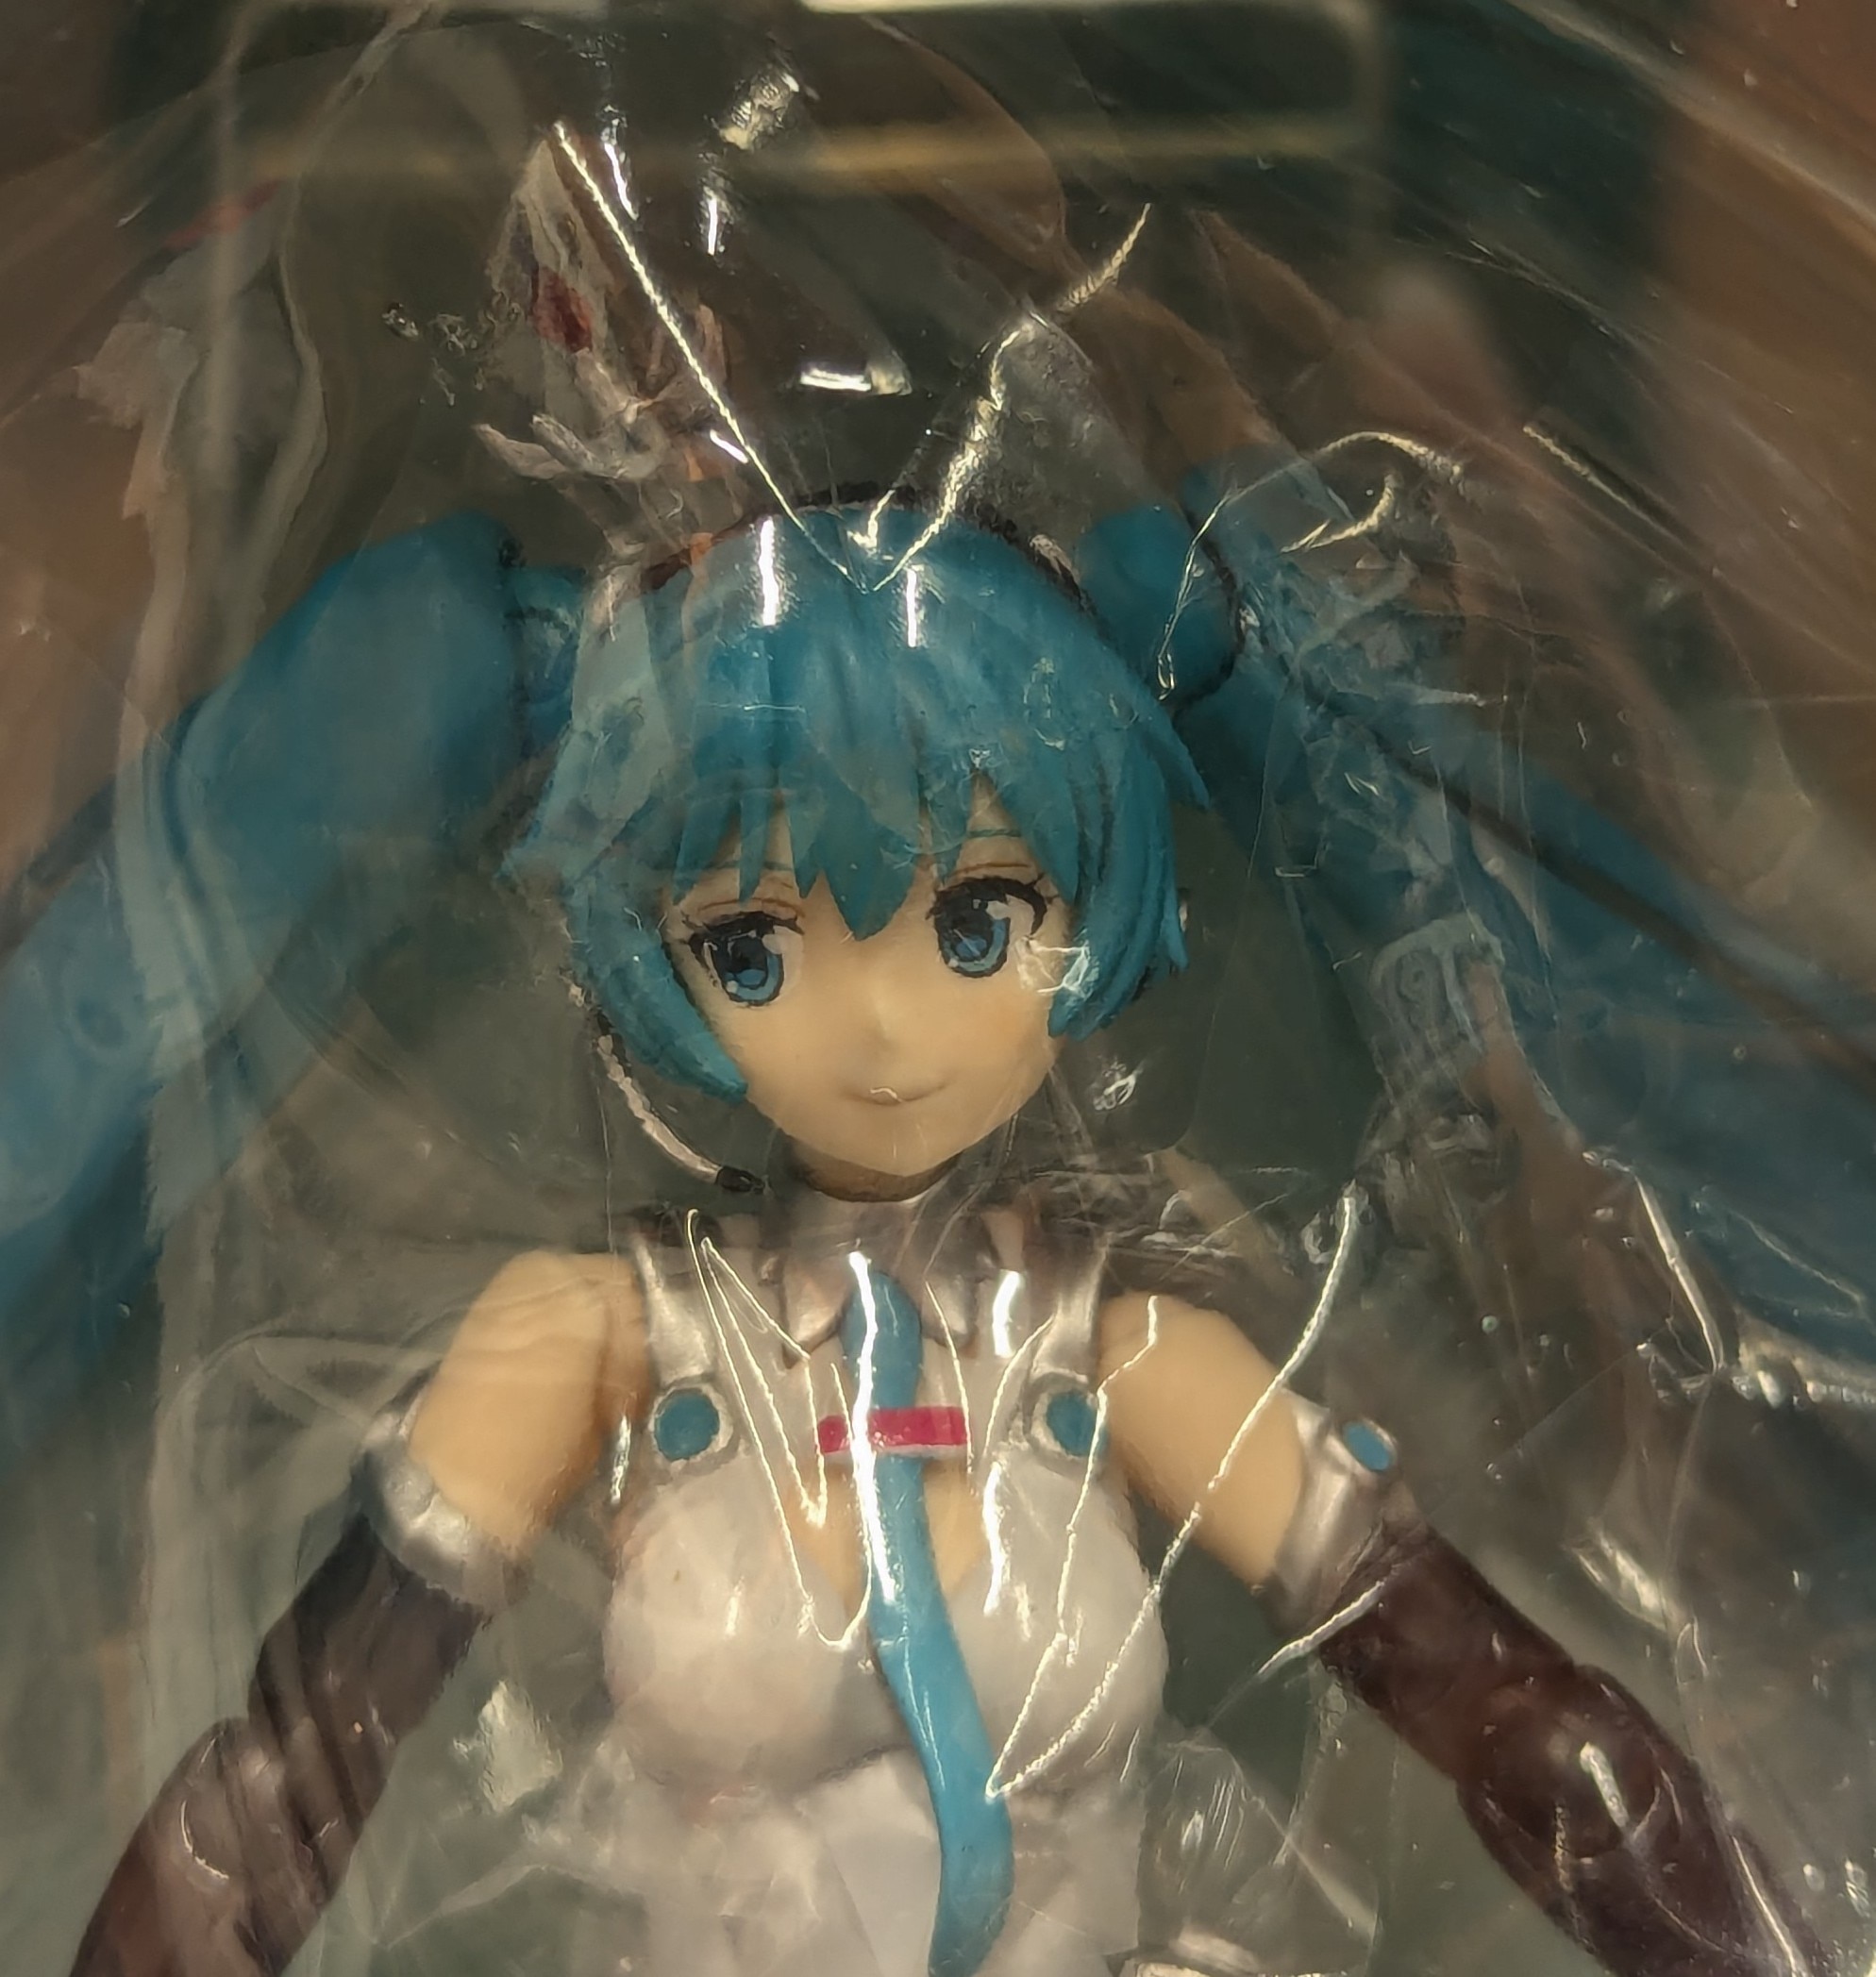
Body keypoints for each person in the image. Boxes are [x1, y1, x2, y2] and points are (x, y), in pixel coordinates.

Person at [69, 497, 1817, 1977]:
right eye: (754, 945)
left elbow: (1522, 1727)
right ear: (650, 949)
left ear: (1089, 906)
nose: (887, 1028)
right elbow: (273, 1799)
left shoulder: (1126, 1353)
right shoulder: (599, 1337)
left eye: (978, 919)